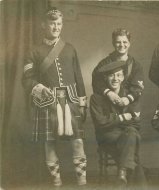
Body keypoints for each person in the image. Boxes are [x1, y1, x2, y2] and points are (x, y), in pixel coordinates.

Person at [22, 8, 87, 186]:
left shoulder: (70, 49)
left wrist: (82, 102)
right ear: (44, 25)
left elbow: (78, 77)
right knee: (49, 143)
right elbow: (27, 79)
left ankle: (83, 182)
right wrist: (39, 87)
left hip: (71, 101)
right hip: (47, 101)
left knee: (78, 141)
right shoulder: (33, 51)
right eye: (52, 23)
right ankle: (56, 182)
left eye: (59, 24)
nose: (56, 27)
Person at [90, 61, 146, 187]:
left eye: (118, 75)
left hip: (127, 135)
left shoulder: (130, 97)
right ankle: (126, 173)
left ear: (123, 77)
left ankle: (122, 174)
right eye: (111, 76)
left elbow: (136, 121)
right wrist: (121, 118)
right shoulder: (96, 98)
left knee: (131, 133)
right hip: (107, 137)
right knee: (132, 149)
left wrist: (112, 120)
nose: (115, 79)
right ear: (105, 78)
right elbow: (100, 123)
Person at [92, 28, 144, 109]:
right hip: (108, 104)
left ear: (129, 43)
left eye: (125, 42)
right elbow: (96, 81)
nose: (122, 45)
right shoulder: (104, 63)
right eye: (118, 42)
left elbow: (138, 87)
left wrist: (128, 99)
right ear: (113, 43)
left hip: (128, 105)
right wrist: (108, 93)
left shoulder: (136, 65)